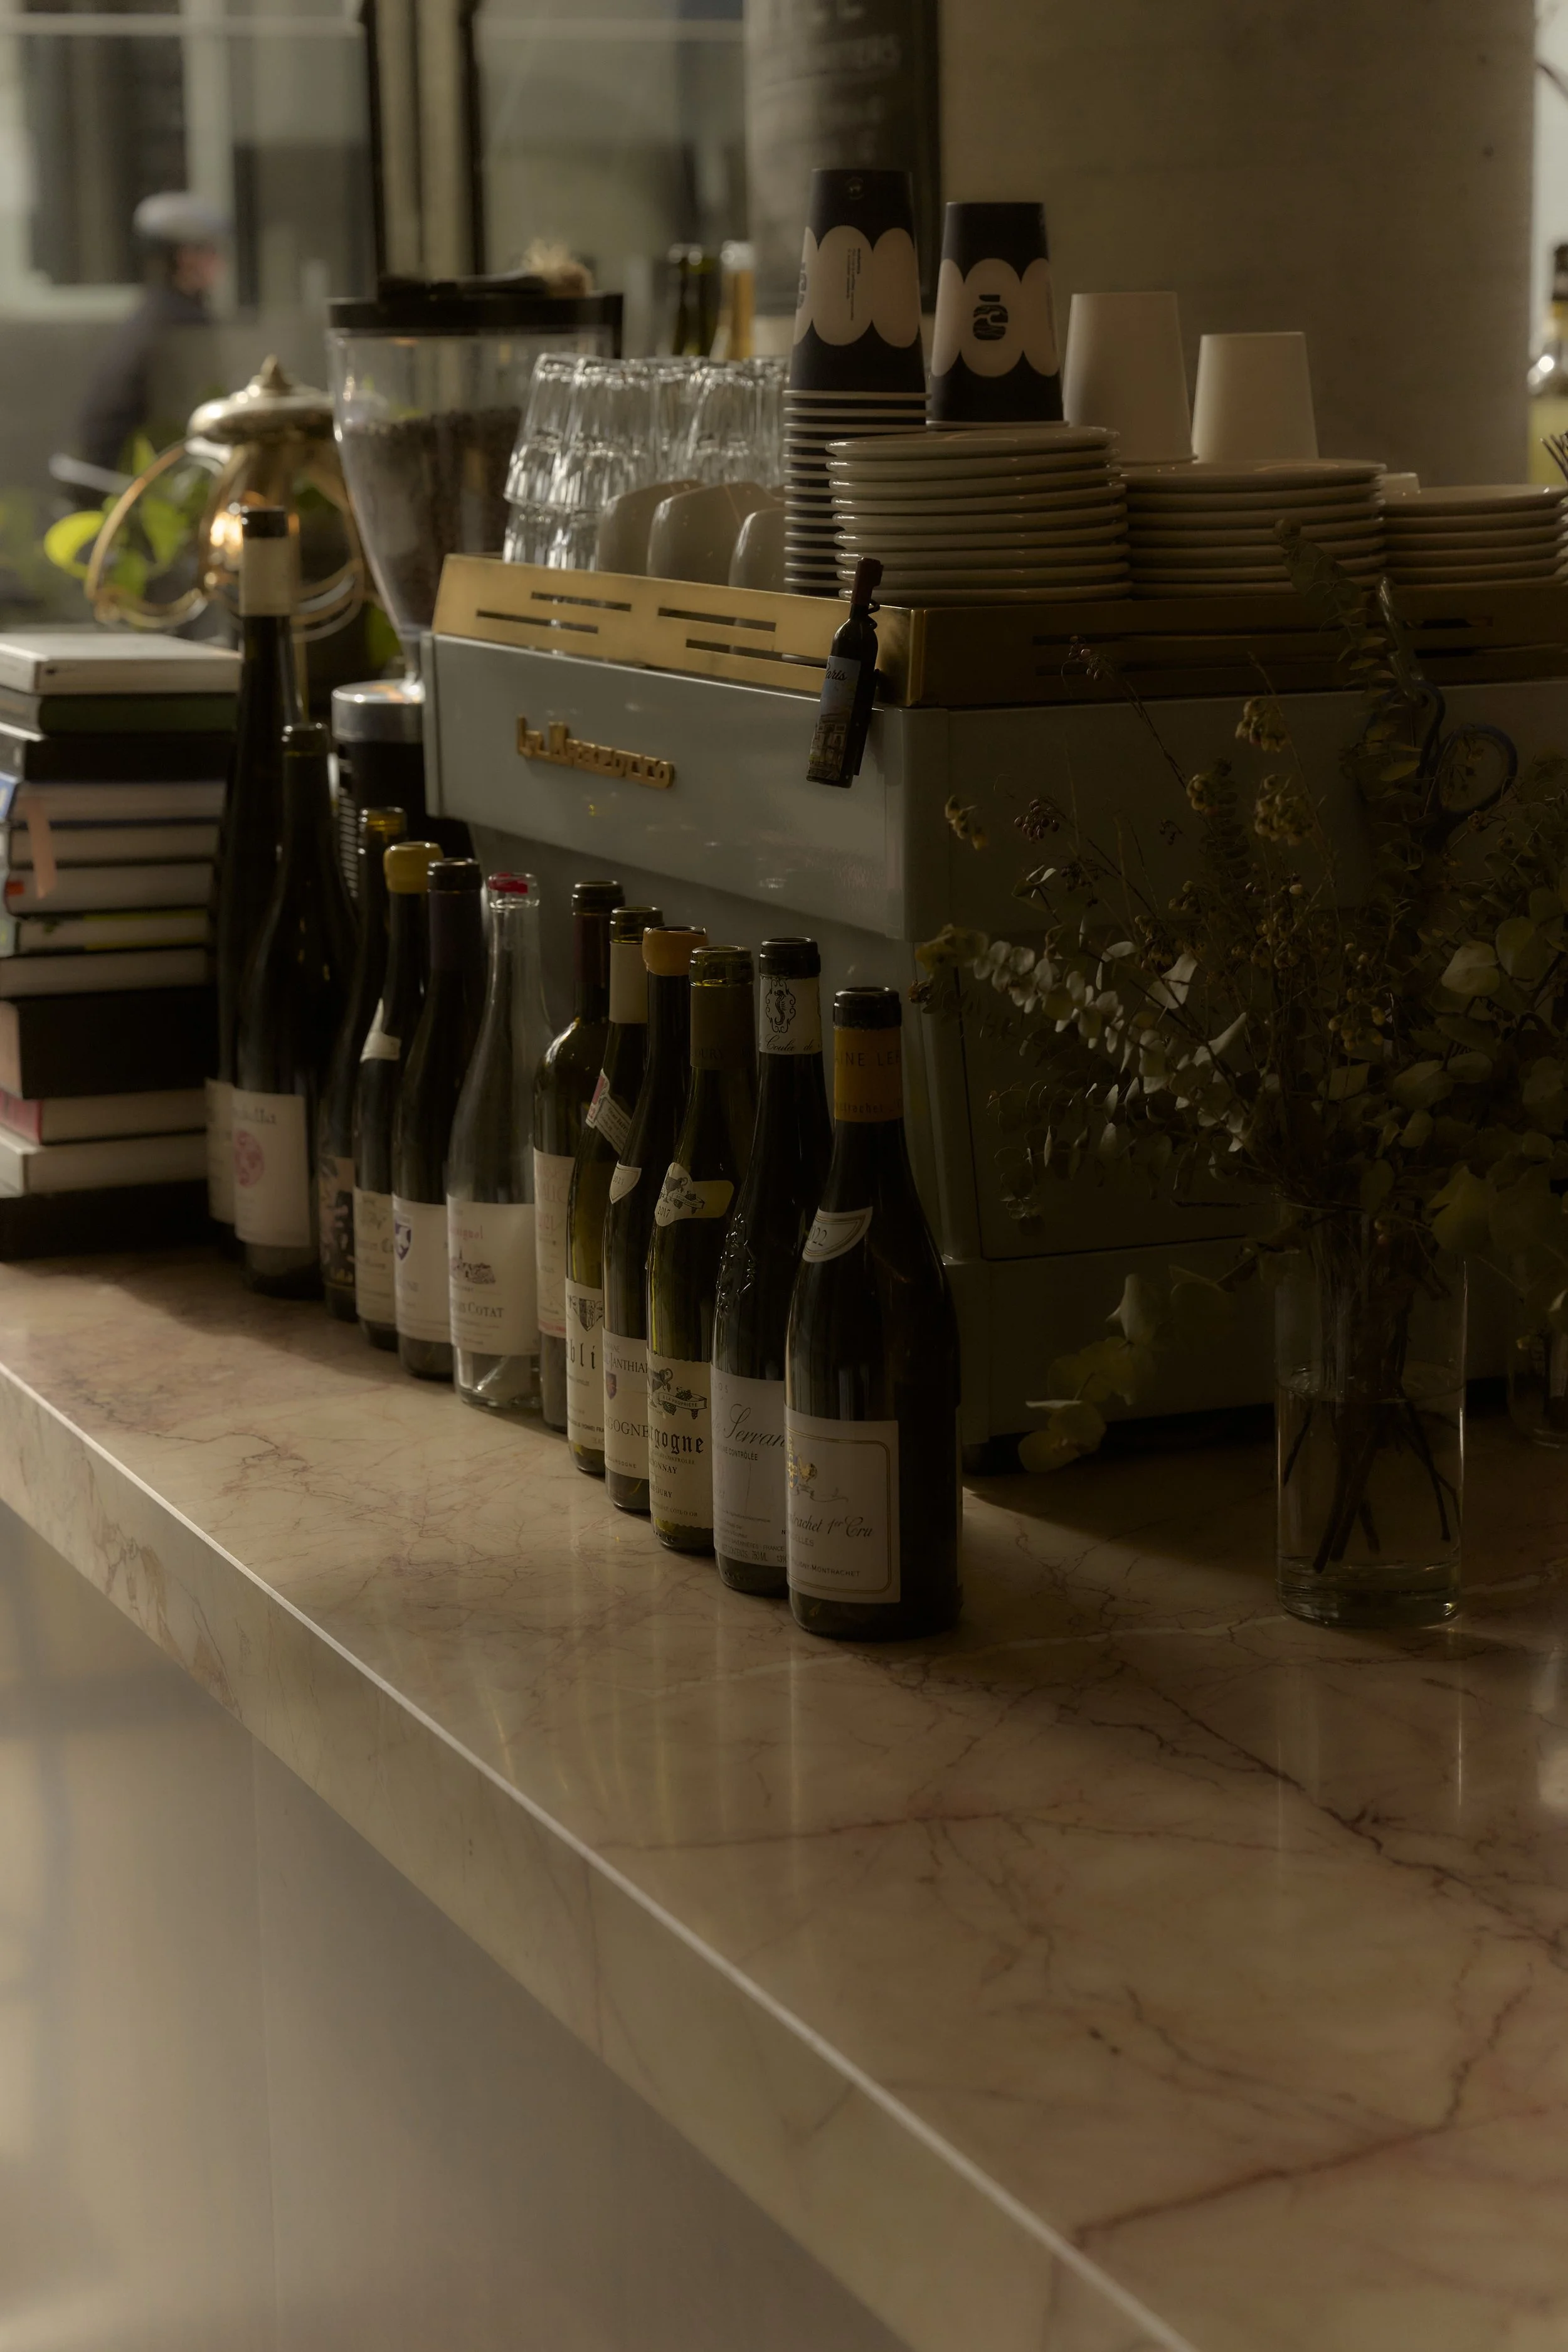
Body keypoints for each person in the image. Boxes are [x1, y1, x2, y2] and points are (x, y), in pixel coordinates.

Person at [76, 191, 228, 476]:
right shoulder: (181, 324)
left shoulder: (155, 312)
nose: (220, 263)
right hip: (132, 492)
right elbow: (195, 421)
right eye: (212, 251)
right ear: (188, 258)